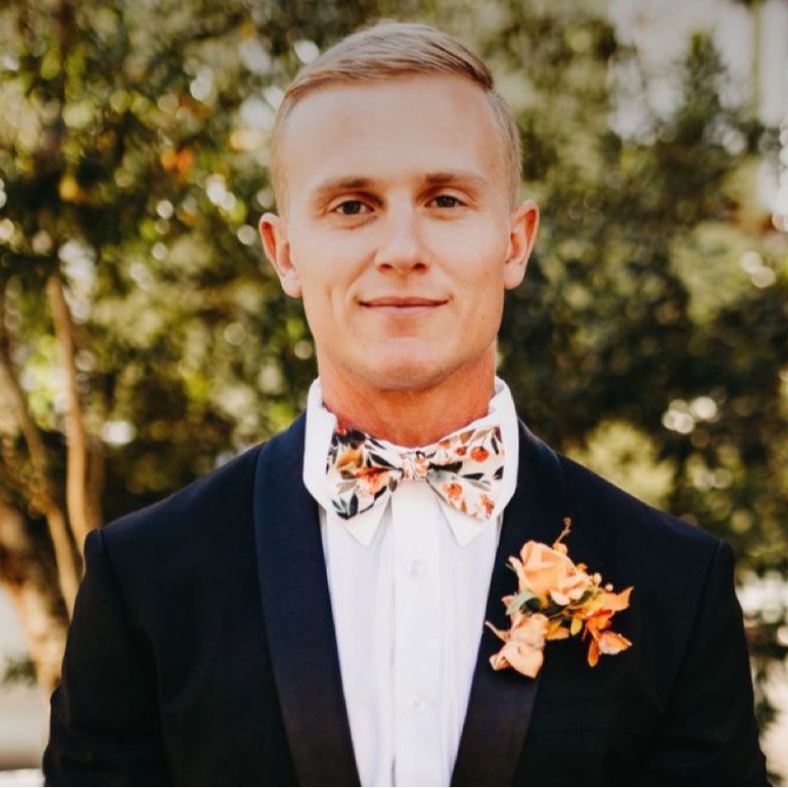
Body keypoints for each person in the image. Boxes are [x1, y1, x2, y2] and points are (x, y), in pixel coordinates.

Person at [43, 21, 769, 788]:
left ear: (515, 242)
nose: (400, 247)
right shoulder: (144, 580)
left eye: (446, 199)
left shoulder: (675, 585)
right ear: (284, 251)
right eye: (351, 206)